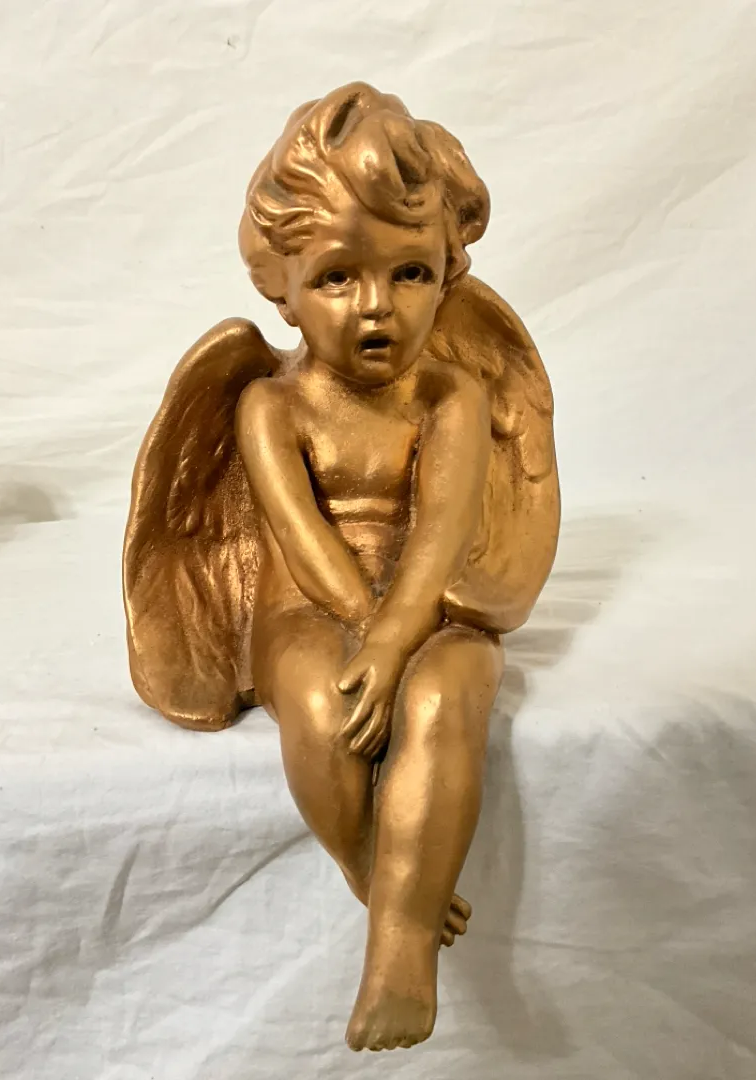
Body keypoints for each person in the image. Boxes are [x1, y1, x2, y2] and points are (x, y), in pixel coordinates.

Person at [124, 82, 559, 1053]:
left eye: (410, 273)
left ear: (448, 274)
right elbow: (299, 538)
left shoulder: (450, 396)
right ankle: (379, 877)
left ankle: (400, 958)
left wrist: (400, 640)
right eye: (334, 279)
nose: (376, 309)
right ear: (278, 287)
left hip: (434, 602)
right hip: (306, 606)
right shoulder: (269, 407)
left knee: (446, 697)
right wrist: (364, 631)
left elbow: (443, 529)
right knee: (322, 705)